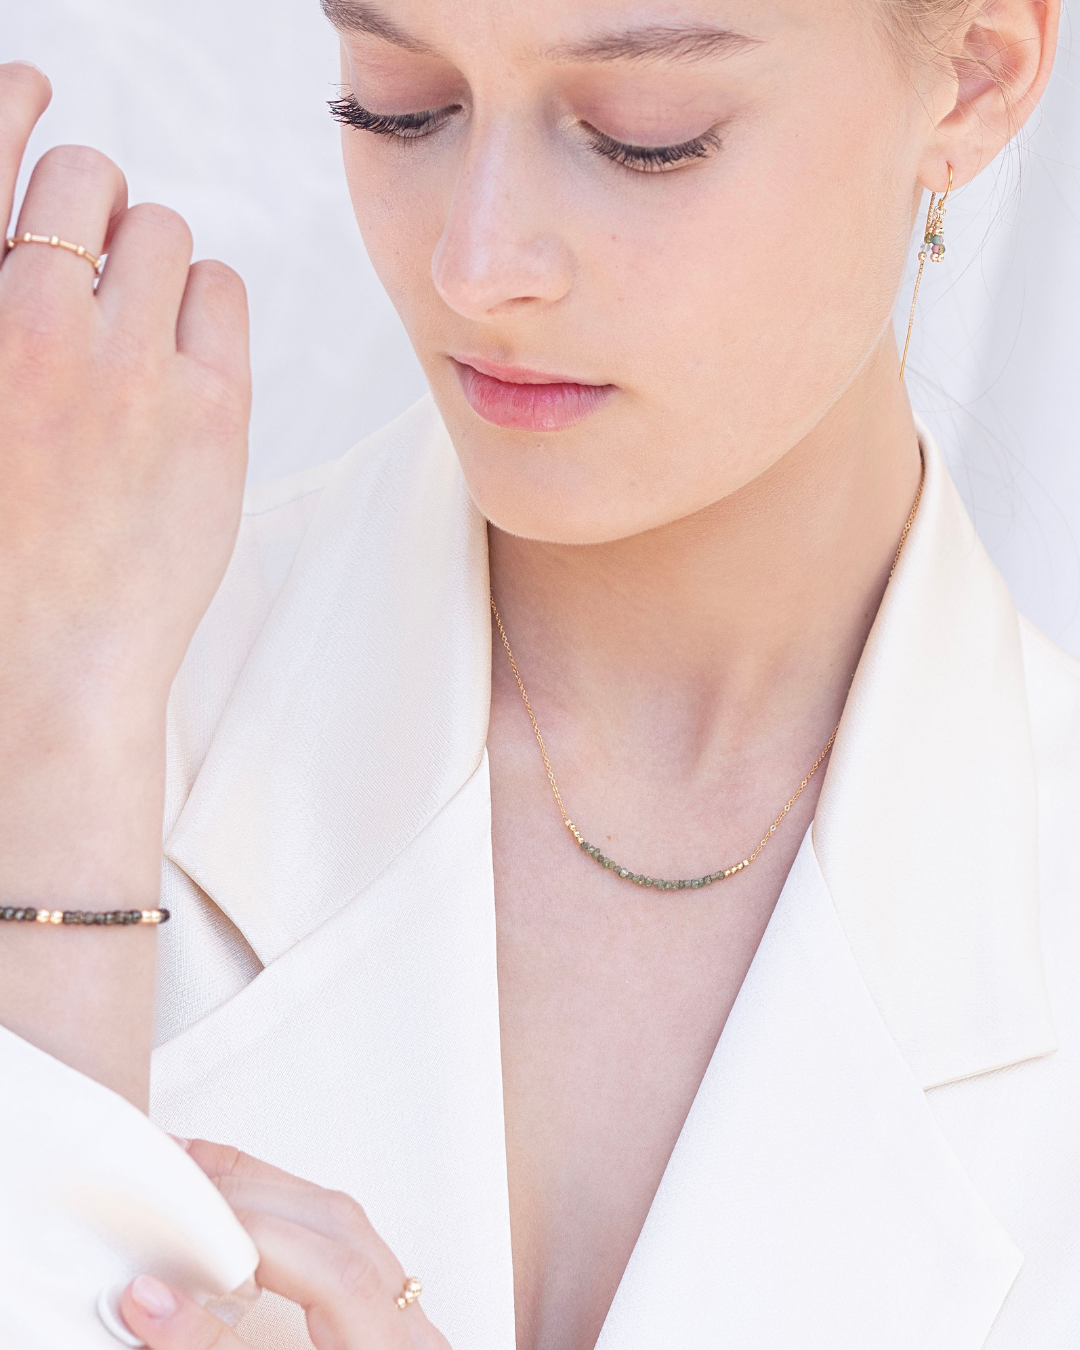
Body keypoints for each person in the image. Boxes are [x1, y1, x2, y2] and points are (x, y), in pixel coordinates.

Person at [0, 0, 1074, 1345]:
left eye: (646, 138)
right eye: (398, 100)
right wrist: (59, 742)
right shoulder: (71, 680)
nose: (475, 263)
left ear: (975, 76)